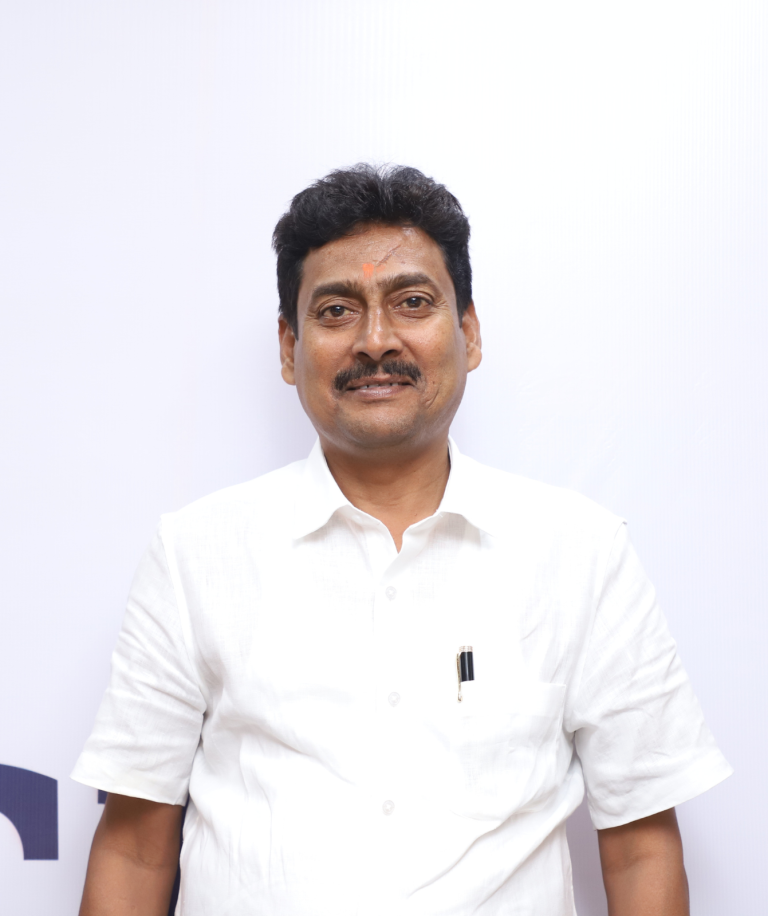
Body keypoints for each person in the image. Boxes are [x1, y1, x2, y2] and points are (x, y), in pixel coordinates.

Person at [73, 164, 731, 916]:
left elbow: (641, 847)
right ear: (289, 348)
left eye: (412, 302)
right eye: (336, 310)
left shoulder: (580, 552)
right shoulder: (196, 554)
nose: (375, 341)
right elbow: (134, 849)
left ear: (469, 333)